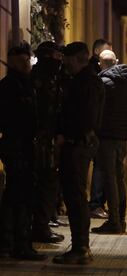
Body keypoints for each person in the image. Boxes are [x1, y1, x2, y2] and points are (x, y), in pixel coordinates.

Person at [53, 42, 104, 265]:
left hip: (77, 145)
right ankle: (80, 247)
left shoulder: (86, 83)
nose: (64, 64)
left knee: (75, 197)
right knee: (76, 197)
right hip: (79, 144)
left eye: (67, 59)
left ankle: (80, 247)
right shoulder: (85, 81)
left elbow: (86, 118)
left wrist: (66, 135)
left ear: (75, 59)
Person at [0, 46, 47, 260]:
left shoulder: (26, 84)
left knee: (17, 195)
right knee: (20, 196)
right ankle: (18, 243)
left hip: (23, 145)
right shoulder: (11, 86)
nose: (27, 64)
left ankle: (11, 242)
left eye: (28, 60)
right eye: (23, 61)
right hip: (17, 146)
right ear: (13, 62)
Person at [90, 50, 127, 234]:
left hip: (107, 136)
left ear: (101, 64)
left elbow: (96, 110)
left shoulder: (103, 83)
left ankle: (114, 221)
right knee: (119, 178)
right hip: (122, 137)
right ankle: (121, 219)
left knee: (110, 179)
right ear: (116, 61)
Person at [31, 41, 65, 244]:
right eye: (56, 57)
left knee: (48, 184)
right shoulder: (40, 80)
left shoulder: (49, 78)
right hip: (40, 141)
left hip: (47, 140)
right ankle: (40, 227)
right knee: (44, 184)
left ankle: (41, 225)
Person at [88, 39, 113, 219]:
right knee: (99, 167)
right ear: (97, 52)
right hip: (96, 128)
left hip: (100, 127)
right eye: (106, 51)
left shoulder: (98, 74)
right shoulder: (94, 74)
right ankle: (95, 204)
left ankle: (98, 203)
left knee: (101, 167)